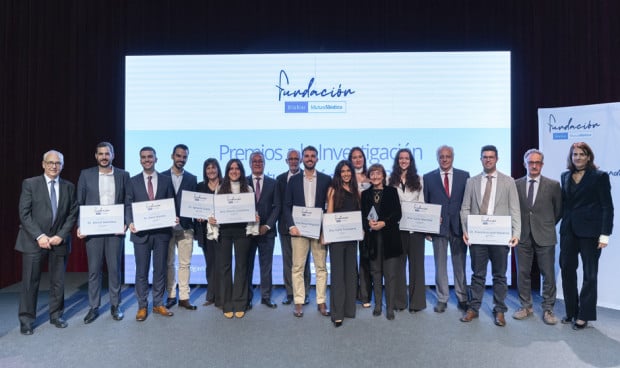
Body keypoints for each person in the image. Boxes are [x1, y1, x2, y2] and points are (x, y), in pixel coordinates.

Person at [16, 150, 78, 335]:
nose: (54, 166)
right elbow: (24, 214)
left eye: (57, 163)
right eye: (50, 162)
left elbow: (72, 213)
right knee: (30, 281)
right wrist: (40, 236)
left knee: (57, 282)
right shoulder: (30, 184)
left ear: (62, 165)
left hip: (59, 241)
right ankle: (26, 320)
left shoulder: (69, 186)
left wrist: (61, 235)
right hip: (33, 241)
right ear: (43, 164)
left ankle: (56, 315)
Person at [460, 145, 520, 327]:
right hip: (478, 237)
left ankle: (500, 310)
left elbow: (514, 209)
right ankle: (474, 308)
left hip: (500, 237)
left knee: (500, 276)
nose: (488, 160)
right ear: (481, 159)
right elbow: (465, 208)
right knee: (478, 275)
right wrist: (466, 230)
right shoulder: (472, 182)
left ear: (497, 159)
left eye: (491, 157)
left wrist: (516, 233)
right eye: (485, 157)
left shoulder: (508, 181)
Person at [559, 142, 613, 330]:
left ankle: (584, 315)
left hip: (591, 233)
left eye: (582, 154)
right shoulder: (564, 176)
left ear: (589, 156)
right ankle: (571, 311)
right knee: (566, 270)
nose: (578, 157)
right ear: (571, 157)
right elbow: (565, 205)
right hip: (568, 232)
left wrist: (605, 235)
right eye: (575, 154)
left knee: (590, 275)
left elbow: (607, 207)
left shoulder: (599, 177)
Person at [77, 142, 130, 324]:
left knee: (114, 269)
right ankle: (94, 307)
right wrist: (80, 225)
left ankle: (116, 305)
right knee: (94, 270)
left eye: (107, 153)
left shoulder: (123, 175)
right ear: (96, 156)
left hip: (116, 230)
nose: (104, 157)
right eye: (101, 154)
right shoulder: (86, 174)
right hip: (93, 230)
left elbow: (127, 201)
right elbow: (80, 202)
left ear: (113, 155)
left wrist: (126, 222)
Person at [513, 149, 562, 325]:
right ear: (525, 164)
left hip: (545, 235)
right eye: (530, 162)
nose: (534, 165)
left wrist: (546, 224)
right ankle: (526, 306)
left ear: (542, 164)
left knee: (547, 274)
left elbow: (559, 211)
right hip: (522, 236)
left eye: (537, 162)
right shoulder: (515, 184)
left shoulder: (553, 185)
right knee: (523, 273)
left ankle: (548, 309)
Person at [127, 146, 176, 321]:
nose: (147, 159)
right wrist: (130, 222)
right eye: (143, 157)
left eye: (150, 157)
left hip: (162, 233)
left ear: (156, 159)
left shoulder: (165, 180)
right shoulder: (132, 181)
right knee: (141, 271)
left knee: (160, 270)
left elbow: (171, 203)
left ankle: (158, 303)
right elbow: (128, 205)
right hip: (141, 234)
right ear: (140, 160)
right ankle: (142, 306)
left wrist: (173, 218)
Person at [284, 145, 331, 318]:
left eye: (313, 156)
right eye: (307, 156)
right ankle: (299, 302)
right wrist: (291, 226)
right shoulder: (294, 180)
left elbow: (329, 207)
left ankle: (321, 301)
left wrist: (326, 230)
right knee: (297, 267)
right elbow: (286, 206)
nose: (310, 158)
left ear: (317, 159)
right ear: (303, 159)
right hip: (299, 231)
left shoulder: (326, 179)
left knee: (321, 268)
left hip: (319, 231)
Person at [423, 145, 470, 313]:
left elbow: (468, 202)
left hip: (459, 228)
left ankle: (462, 297)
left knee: (460, 265)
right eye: (441, 156)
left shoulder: (465, 176)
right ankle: (442, 298)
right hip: (438, 229)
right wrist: (428, 227)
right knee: (440, 265)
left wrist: (468, 227)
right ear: (437, 158)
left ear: (453, 157)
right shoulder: (428, 178)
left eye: (448, 156)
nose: (444, 159)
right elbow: (426, 204)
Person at [210, 159, 256, 319]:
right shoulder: (220, 188)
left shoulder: (248, 188)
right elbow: (214, 211)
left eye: (237, 168)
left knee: (242, 267)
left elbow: (252, 211)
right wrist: (212, 219)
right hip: (225, 231)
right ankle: (227, 303)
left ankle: (240, 303)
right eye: (231, 168)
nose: (234, 171)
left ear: (241, 171)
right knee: (225, 268)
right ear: (227, 170)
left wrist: (254, 217)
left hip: (242, 231)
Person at [361, 163, 403, 320]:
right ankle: (378, 305)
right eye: (372, 174)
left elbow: (397, 214)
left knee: (390, 275)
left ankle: (390, 307)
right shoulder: (365, 194)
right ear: (369, 177)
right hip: (372, 240)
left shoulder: (392, 192)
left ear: (383, 176)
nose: (375, 176)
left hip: (389, 239)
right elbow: (363, 216)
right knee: (376, 273)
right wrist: (368, 224)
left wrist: (384, 223)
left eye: (378, 173)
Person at [389, 148, 426, 313]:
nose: (404, 161)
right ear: (397, 161)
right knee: (398, 265)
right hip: (396, 230)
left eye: (407, 158)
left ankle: (416, 303)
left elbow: (423, 203)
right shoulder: (390, 179)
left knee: (417, 266)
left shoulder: (419, 179)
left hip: (415, 230)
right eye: (401, 158)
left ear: (411, 161)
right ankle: (399, 302)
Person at [325, 160, 361, 327]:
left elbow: (359, 213)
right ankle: (337, 313)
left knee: (350, 274)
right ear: (339, 174)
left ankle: (348, 309)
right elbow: (330, 213)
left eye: (348, 171)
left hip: (352, 238)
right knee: (338, 275)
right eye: (343, 171)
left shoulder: (355, 190)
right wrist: (327, 234)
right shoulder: (333, 190)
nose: (346, 174)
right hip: (337, 238)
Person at [162, 144, 198, 310]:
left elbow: (195, 202)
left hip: (186, 226)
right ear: (172, 156)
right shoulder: (161, 177)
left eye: (184, 157)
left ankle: (184, 297)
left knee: (185, 264)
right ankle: (171, 295)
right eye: (178, 156)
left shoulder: (192, 178)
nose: (181, 159)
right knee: (169, 263)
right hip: (166, 228)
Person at [247, 152, 281, 309]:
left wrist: (267, 226)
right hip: (247, 232)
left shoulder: (273, 183)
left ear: (264, 163)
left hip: (267, 232)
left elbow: (277, 207)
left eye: (260, 161)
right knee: (247, 265)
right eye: (255, 161)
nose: (258, 163)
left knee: (266, 265)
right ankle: (246, 297)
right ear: (250, 164)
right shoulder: (243, 182)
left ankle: (266, 297)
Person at [276, 150, 310, 306]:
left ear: (301, 160)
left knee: (304, 262)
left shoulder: (307, 177)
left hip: (304, 228)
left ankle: (305, 293)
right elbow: (279, 204)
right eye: (291, 159)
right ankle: (290, 293)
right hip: (285, 227)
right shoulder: (280, 179)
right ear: (286, 161)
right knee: (288, 261)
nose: (294, 161)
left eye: (297, 159)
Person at [195, 158, 223, 307]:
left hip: (223, 232)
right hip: (206, 233)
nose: (211, 171)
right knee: (210, 264)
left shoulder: (226, 185)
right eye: (208, 168)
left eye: (213, 168)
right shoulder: (200, 187)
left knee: (222, 264)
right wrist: (197, 215)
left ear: (218, 169)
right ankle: (211, 295)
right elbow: (195, 208)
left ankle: (221, 296)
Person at [348, 147, 372, 308]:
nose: (357, 160)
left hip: (367, 222)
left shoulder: (371, 177)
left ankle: (364, 295)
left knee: (365, 258)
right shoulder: (346, 177)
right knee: (350, 259)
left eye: (360, 157)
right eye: (354, 157)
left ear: (364, 158)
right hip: (349, 221)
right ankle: (351, 293)